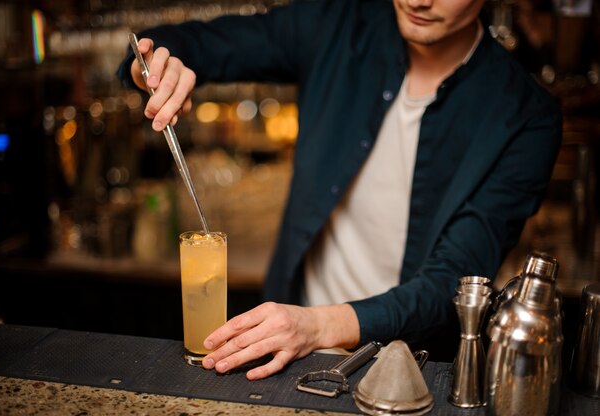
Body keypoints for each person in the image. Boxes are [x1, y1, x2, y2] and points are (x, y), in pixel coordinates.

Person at [117, 0, 561, 380]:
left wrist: (315, 326)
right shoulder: (338, 25)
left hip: (410, 373)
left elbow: (454, 284)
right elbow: (190, 43)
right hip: (285, 359)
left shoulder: (524, 115)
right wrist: (156, 67)